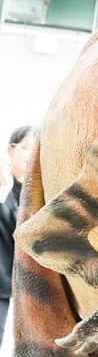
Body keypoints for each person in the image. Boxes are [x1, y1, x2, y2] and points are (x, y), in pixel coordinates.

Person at [1, 125, 35, 343]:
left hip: (24, 295)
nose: (30, 155)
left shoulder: (37, 196)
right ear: (11, 149)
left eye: (36, 149)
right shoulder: (4, 188)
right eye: (26, 148)